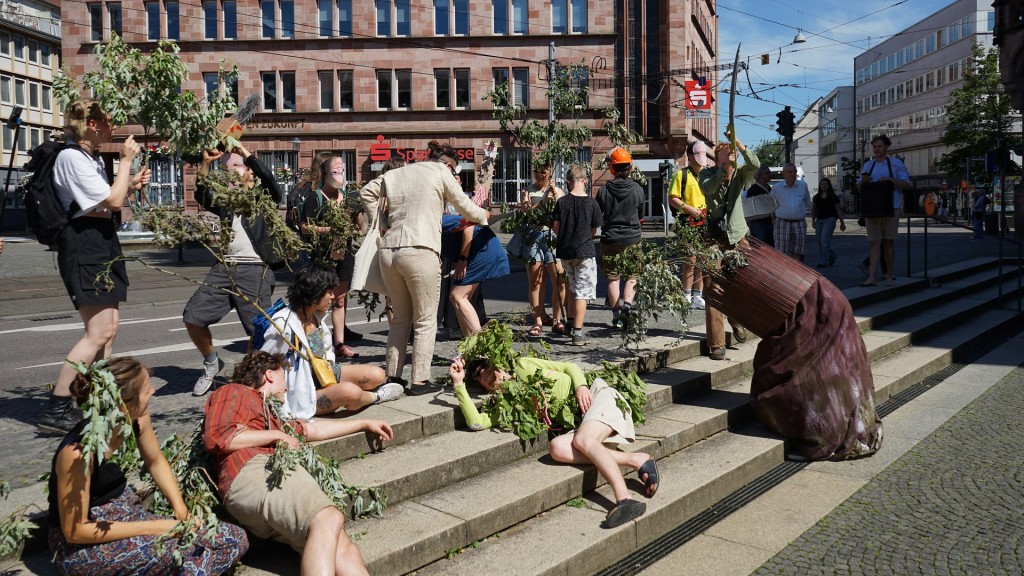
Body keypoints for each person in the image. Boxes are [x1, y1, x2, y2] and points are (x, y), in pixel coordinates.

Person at [48, 357, 248, 574]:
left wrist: (181, 511)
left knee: (234, 538)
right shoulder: (77, 454)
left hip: (127, 513)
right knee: (184, 553)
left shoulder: (136, 417)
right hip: (84, 542)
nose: (152, 391)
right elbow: (75, 530)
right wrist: (157, 527)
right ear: (123, 406)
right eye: (146, 390)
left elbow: (155, 461)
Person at [204, 351, 393, 576]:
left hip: (267, 477)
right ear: (269, 375)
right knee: (328, 517)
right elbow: (219, 437)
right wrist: (276, 437)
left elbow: (313, 429)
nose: (287, 386)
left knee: (343, 549)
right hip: (253, 471)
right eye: (284, 376)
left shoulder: (272, 417)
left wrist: (364, 422)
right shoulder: (235, 391)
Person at [38, 98, 151, 434]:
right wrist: (126, 164)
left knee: (109, 329)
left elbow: (106, 199)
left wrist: (129, 183)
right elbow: (113, 202)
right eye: (105, 120)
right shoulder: (72, 157)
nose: (111, 126)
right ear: (88, 123)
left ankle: (94, 397)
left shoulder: (87, 158)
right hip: (84, 244)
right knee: (97, 331)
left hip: (99, 241)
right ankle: (57, 408)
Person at [449, 355, 658, 528]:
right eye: (476, 375)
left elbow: (569, 366)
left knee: (584, 439)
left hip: (599, 397)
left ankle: (624, 499)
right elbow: (476, 423)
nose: (482, 372)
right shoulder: (507, 404)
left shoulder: (523, 365)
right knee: (557, 447)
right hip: (584, 423)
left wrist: (581, 387)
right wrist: (459, 383)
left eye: (483, 365)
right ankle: (636, 459)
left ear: (496, 362)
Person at [359, 141, 490, 395]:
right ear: (447, 164)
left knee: (400, 320)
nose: (454, 176)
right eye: (455, 171)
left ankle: (394, 378)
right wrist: (484, 216)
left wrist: (383, 222)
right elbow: (465, 206)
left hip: (389, 252)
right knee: (425, 319)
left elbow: (366, 192)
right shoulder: (440, 172)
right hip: (420, 249)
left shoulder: (396, 172)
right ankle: (420, 380)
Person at [182, 145, 284, 397]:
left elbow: (272, 182)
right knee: (192, 316)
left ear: (250, 171)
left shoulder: (263, 196)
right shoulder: (228, 201)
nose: (231, 172)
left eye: (236, 166)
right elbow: (203, 195)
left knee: (258, 331)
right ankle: (211, 362)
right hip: (225, 267)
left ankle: (257, 386)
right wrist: (205, 164)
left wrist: (243, 150)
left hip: (254, 268)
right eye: (227, 169)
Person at [261, 265, 399, 420]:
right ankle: (376, 397)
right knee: (349, 392)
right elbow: (264, 361)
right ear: (315, 292)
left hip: (324, 373)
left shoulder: (316, 315)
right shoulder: (284, 324)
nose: (333, 296)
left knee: (377, 375)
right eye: (329, 292)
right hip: (301, 387)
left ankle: (349, 395)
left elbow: (327, 354)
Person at [699, 135, 758, 360]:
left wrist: (740, 145)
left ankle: (735, 318)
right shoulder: (707, 173)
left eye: (732, 158)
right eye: (726, 157)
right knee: (713, 289)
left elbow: (755, 165)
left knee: (739, 285)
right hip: (714, 237)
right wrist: (723, 169)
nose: (731, 162)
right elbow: (708, 188)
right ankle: (716, 344)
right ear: (718, 160)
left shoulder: (740, 174)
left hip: (738, 237)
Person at [300, 155, 360, 359]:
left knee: (340, 301)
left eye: (342, 171)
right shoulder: (315, 197)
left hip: (345, 254)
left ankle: (339, 344)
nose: (339, 174)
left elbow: (359, 225)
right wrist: (328, 229)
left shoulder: (350, 196)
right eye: (335, 171)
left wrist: (357, 218)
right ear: (326, 174)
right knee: (319, 301)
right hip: (322, 256)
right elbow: (305, 227)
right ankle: (315, 344)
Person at [552, 164, 603, 346]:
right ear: (585, 181)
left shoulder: (562, 202)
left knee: (573, 288)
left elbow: (556, 228)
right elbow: (593, 230)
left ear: (568, 182)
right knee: (582, 292)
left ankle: (571, 322)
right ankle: (578, 333)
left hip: (565, 252)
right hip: (585, 252)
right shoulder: (592, 203)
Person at [595, 147, 645, 329]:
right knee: (633, 274)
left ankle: (616, 316)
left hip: (610, 238)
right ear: (630, 168)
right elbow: (641, 215)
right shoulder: (638, 190)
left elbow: (598, 215)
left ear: (612, 169)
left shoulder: (603, 191)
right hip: (632, 238)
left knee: (612, 276)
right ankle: (626, 308)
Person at [517, 161, 567, 337]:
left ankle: (556, 320)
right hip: (533, 236)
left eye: (543, 172)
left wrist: (555, 196)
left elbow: (563, 213)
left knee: (559, 280)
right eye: (536, 171)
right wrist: (544, 201)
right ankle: (537, 320)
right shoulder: (526, 191)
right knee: (536, 281)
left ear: (550, 172)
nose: (539, 175)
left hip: (552, 237)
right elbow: (526, 211)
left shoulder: (558, 190)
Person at [441, 213, 509, 338]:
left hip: (482, 249)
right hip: (477, 250)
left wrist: (463, 259)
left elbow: (469, 226)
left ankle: (480, 347)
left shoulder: (440, 221)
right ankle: (470, 348)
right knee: (460, 298)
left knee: (457, 296)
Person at [860, 134, 911, 287]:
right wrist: (862, 182)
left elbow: (906, 184)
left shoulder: (896, 164)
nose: (876, 149)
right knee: (874, 243)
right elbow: (858, 187)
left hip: (891, 208)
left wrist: (890, 180)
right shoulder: (868, 165)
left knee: (888, 243)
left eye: (880, 146)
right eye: (875, 146)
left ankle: (889, 275)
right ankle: (872, 277)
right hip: (873, 210)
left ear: (886, 147)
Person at [668, 141, 710, 310]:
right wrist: (690, 210)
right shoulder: (681, 175)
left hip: (704, 221)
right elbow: (672, 198)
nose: (701, 159)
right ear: (690, 156)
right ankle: (686, 294)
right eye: (698, 155)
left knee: (701, 259)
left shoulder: (707, 175)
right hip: (688, 221)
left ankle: (698, 295)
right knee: (689, 259)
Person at [770, 163, 811, 261]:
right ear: (784, 174)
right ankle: (783, 273)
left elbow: (807, 202)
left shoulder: (803, 186)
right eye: (790, 172)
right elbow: (770, 203)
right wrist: (773, 217)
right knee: (782, 251)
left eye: (794, 171)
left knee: (798, 250)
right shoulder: (777, 187)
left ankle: (795, 273)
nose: (793, 174)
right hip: (782, 223)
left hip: (799, 223)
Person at [811, 178, 846, 268]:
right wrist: (813, 221)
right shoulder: (817, 197)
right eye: (822, 184)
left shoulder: (833, 197)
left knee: (824, 241)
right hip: (819, 220)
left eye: (825, 184)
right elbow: (814, 209)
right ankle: (832, 255)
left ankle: (823, 261)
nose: (823, 185)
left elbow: (838, 210)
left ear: (829, 185)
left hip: (830, 220)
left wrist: (842, 223)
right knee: (819, 241)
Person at [744, 165, 775, 247]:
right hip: (758, 224)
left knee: (770, 246)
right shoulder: (753, 190)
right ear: (761, 175)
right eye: (767, 173)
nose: (770, 174)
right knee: (759, 247)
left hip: (769, 222)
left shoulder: (768, 188)